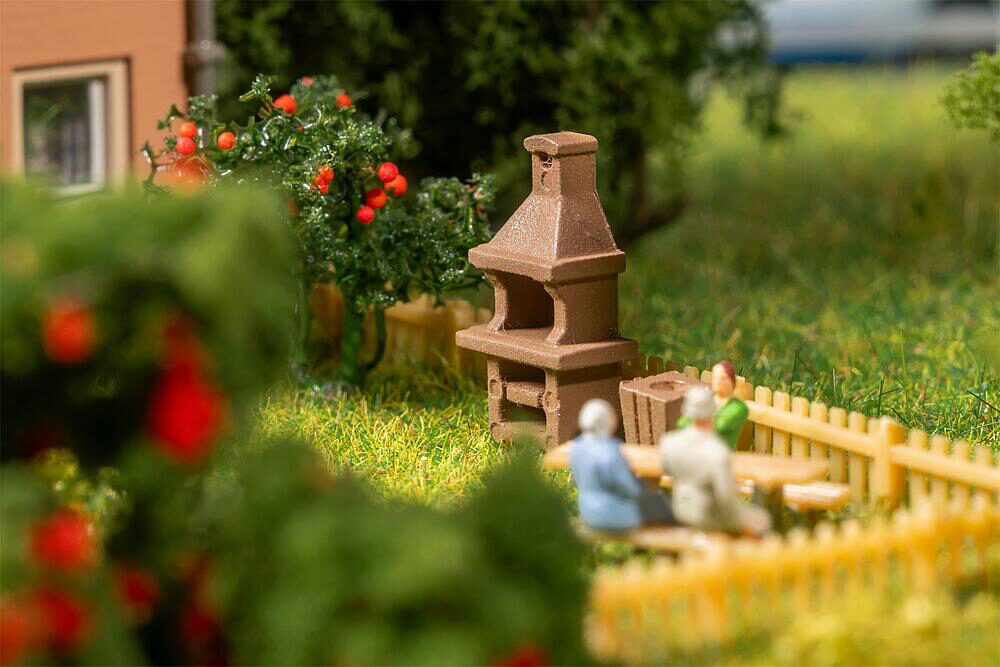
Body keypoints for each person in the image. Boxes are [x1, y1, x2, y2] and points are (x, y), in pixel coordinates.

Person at [660, 387, 771, 536]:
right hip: (709, 516)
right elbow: (725, 498)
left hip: (681, 510)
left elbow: (668, 471)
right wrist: (740, 525)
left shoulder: (669, 442)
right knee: (763, 520)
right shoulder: (718, 452)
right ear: (712, 412)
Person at [569, 399, 673, 532]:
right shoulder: (610, 451)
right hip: (614, 517)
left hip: (588, 513)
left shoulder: (576, 447)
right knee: (657, 502)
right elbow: (630, 488)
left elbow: (576, 479)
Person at [676, 360, 748, 449]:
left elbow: (721, 426)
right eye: (715, 377)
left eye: (723, 378)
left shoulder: (739, 407)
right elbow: (682, 423)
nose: (718, 381)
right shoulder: (705, 399)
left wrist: (697, 419)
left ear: (732, 381)